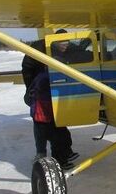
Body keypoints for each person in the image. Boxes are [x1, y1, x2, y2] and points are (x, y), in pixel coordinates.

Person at [21, 29, 78, 165]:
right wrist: (31, 89)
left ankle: (66, 152)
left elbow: (82, 53)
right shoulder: (38, 51)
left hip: (53, 95)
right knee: (46, 130)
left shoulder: (68, 49)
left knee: (60, 129)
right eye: (62, 42)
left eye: (67, 42)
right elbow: (27, 69)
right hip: (41, 98)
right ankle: (43, 154)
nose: (65, 45)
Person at [28, 71, 78, 169]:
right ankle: (60, 162)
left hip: (48, 115)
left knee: (63, 135)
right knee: (57, 139)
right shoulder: (47, 78)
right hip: (44, 116)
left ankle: (66, 153)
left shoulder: (43, 76)